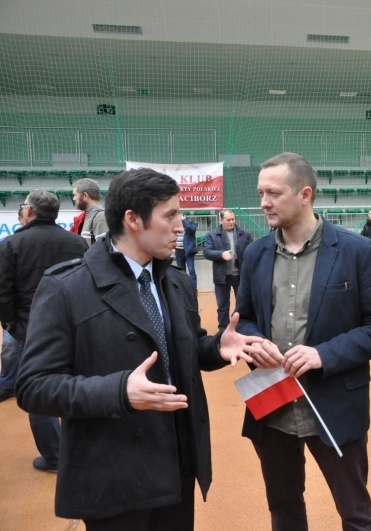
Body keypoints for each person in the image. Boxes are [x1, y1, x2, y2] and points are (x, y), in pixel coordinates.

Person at [15, 168, 263, 529]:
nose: (180, 227)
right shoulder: (66, 288)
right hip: (114, 476)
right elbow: (34, 386)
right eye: (170, 215)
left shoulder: (176, 282)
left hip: (176, 464)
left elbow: (185, 349)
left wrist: (214, 349)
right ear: (132, 219)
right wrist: (118, 392)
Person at [235, 152, 371, 530]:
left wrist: (323, 355)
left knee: (355, 513)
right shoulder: (256, 253)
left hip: (335, 404)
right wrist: (254, 341)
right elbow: (245, 321)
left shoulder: (357, 251)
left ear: (304, 194)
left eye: (273, 193)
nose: (263, 203)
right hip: (272, 405)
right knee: (284, 508)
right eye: (262, 193)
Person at [0, 190, 88, 472]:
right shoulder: (76, 243)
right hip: (75, 325)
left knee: (39, 392)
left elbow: (3, 292)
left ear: (30, 212)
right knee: (78, 385)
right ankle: (81, 449)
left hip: (30, 329)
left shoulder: (11, 244)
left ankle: (55, 457)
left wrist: (10, 324)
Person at [203, 209, 253, 329]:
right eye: (228, 220)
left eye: (233, 219)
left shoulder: (244, 234)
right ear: (221, 220)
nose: (231, 222)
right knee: (222, 306)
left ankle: (242, 328)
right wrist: (221, 254)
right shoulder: (212, 235)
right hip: (222, 277)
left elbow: (252, 251)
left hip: (240, 276)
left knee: (242, 304)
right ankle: (223, 330)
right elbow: (207, 251)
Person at [0, 205, 27, 402]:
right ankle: (9, 383)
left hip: (24, 305)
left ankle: (23, 383)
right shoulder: (8, 243)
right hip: (15, 305)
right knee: (10, 347)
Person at [72, 177, 108, 245]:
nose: (74, 198)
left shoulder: (100, 217)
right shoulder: (86, 216)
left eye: (75, 195)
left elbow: (104, 249)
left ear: (85, 195)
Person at [174, 212, 198, 288]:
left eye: (181, 216)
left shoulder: (190, 224)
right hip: (178, 251)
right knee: (181, 271)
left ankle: (193, 289)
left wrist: (184, 220)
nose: (179, 217)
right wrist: (173, 248)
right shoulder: (175, 225)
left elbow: (192, 229)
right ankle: (184, 289)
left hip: (188, 251)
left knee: (191, 271)